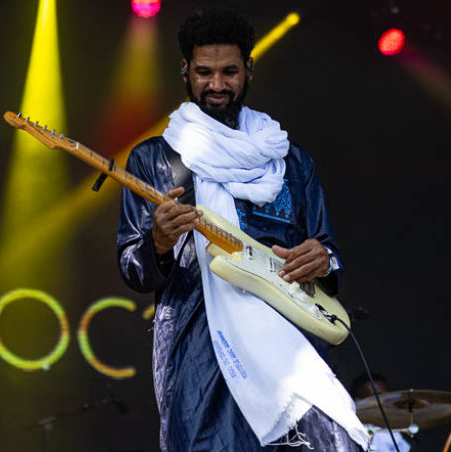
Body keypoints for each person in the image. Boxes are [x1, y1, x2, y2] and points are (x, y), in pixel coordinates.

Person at [117, 6, 368, 451]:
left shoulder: (290, 161)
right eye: (204, 72)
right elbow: (134, 269)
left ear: (249, 69)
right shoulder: (155, 159)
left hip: (289, 350)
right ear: (185, 70)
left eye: (229, 72)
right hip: (201, 358)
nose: (216, 84)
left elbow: (328, 256)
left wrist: (322, 260)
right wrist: (158, 241)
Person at [349, 373, 411, 452]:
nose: (385, 401)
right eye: (378, 396)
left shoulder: (393, 431)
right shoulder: (354, 431)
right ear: (358, 401)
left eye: (387, 396)